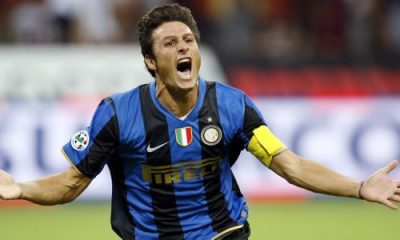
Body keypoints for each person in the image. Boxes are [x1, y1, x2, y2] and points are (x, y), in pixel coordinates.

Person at [0, 4, 399, 240]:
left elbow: (290, 165)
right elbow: (70, 183)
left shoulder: (231, 106)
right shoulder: (118, 114)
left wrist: (360, 187)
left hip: (223, 233)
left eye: (188, 40)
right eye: (170, 44)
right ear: (151, 62)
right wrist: (20, 187)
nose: (183, 48)